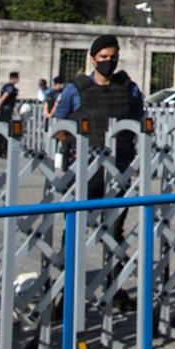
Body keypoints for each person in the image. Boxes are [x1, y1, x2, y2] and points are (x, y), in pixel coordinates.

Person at [54, 35, 144, 311]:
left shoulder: (128, 88)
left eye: (112, 56)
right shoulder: (76, 88)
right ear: (93, 59)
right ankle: (64, 292)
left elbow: (138, 119)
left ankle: (114, 289)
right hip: (86, 169)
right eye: (103, 57)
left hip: (119, 168)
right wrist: (67, 152)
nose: (109, 61)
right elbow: (59, 122)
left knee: (115, 231)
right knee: (75, 230)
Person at [0, 71, 20, 158]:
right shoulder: (10, 88)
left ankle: (0, 150)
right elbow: (4, 97)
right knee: (5, 131)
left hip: (4, 111)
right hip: (6, 111)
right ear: (14, 78)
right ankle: (3, 151)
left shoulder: (6, 86)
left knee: (2, 130)